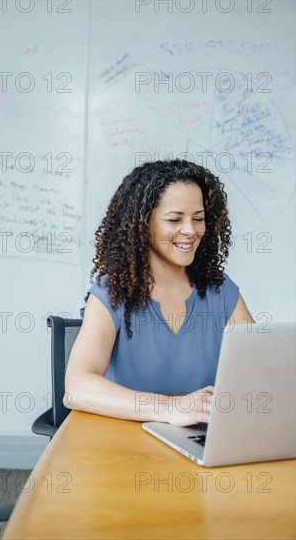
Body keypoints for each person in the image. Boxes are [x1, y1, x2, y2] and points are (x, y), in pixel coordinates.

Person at [64, 159, 255, 426]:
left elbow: (259, 371)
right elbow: (77, 388)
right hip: (125, 443)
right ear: (142, 224)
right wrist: (172, 407)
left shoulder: (221, 289)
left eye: (198, 219)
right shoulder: (111, 293)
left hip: (203, 443)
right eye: (175, 219)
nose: (190, 230)